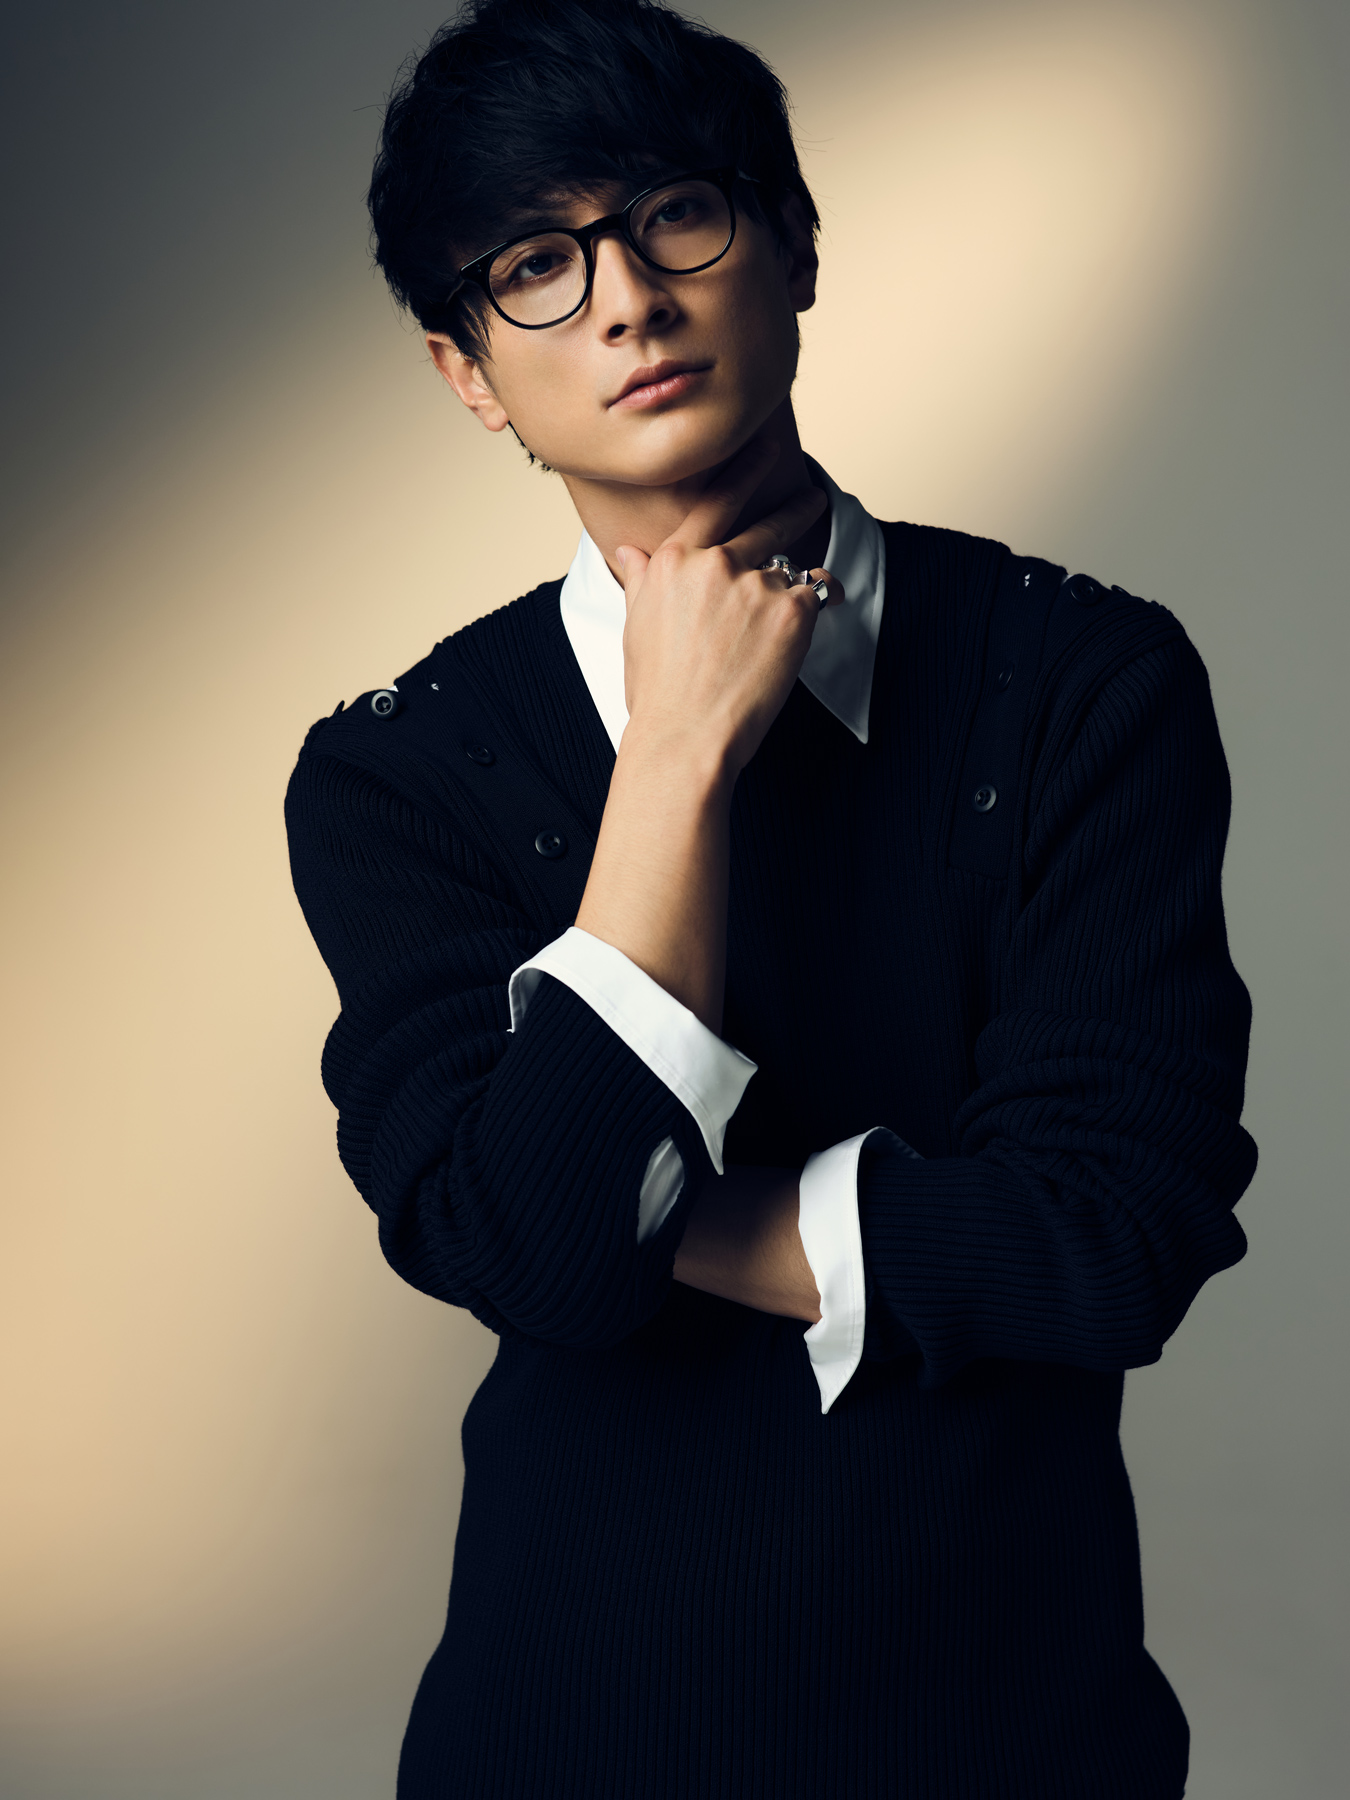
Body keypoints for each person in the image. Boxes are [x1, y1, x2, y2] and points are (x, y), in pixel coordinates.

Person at [284, 0, 1257, 1793]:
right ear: (466, 373)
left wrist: (625, 1213)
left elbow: (1104, 1247)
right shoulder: (396, 777)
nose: (626, 302)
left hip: (1008, 1721)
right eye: (534, 266)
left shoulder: (1082, 683)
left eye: (676, 214)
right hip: (569, 1725)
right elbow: (539, 1263)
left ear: (792, 247)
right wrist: (675, 756)